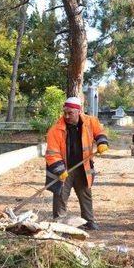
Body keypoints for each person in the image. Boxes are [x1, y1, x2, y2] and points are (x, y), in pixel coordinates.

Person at [45, 96, 109, 231]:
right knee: (60, 195)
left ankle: (88, 221)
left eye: (70, 113)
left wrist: (102, 142)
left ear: (79, 111)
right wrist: (59, 170)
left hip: (83, 166)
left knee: (85, 193)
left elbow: (100, 132)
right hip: (64, 168)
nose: (67, 116)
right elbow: (52, 153)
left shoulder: (91, 122)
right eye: (65, 113)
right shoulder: (55, 130)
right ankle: (59, 224)